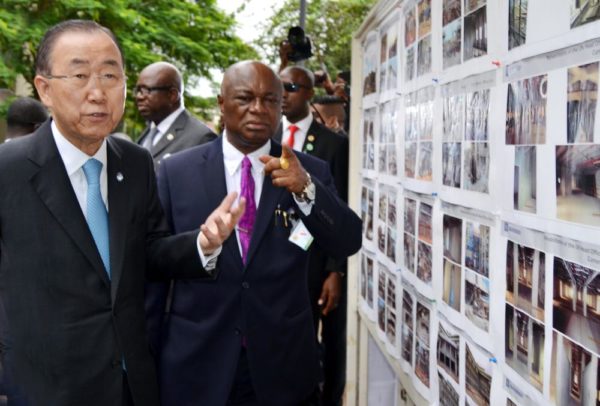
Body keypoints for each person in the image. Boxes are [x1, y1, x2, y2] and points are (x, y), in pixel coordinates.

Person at [0, 20, 244, 406]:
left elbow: (147, 251)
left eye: (110, 75)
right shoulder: (9, 169)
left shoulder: (135, 162)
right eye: (80, 75)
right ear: (44, 89)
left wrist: (202, 244)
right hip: (43, 388)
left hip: (129, 384)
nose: (98, 92)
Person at [150, 60, 362, 406]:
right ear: (222, 103)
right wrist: (201, 246)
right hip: (199, 364)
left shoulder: (307, 170)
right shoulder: (176, 172)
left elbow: (348, 240)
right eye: (245, 98)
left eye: (269, 100)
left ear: (282, 107)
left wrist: (307, 189)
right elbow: (153, 258)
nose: (258, 109)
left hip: (283, 366)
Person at [276, 65, 350, 406]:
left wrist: (336, 269)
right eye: (280, 87)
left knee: (318, 341)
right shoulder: (266, 137)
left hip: (315, 261)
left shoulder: (332, 144)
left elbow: (341, 209)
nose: (283, 94)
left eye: (291, 87)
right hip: (272, 259)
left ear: (308, 93)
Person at [135, 61, 216, 169]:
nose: (139, 97)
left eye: (147, 90)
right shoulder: (148, 133)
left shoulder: (201, 138)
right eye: (138, 90)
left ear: (172, 95)